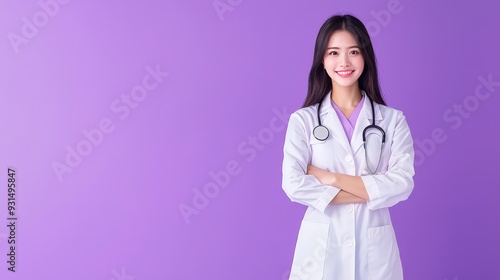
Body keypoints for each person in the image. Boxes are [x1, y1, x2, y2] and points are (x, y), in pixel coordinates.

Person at [281, 14, 415, 280]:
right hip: (320, 251)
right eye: (333, 52)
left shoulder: (392, 121)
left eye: (353, 51)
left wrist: (330, 178)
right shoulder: (303, 121)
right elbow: (294, 185)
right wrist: (374, 189)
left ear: (365, 57)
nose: (344, 62)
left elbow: (402, 184)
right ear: (322, 60)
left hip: (374, 252)